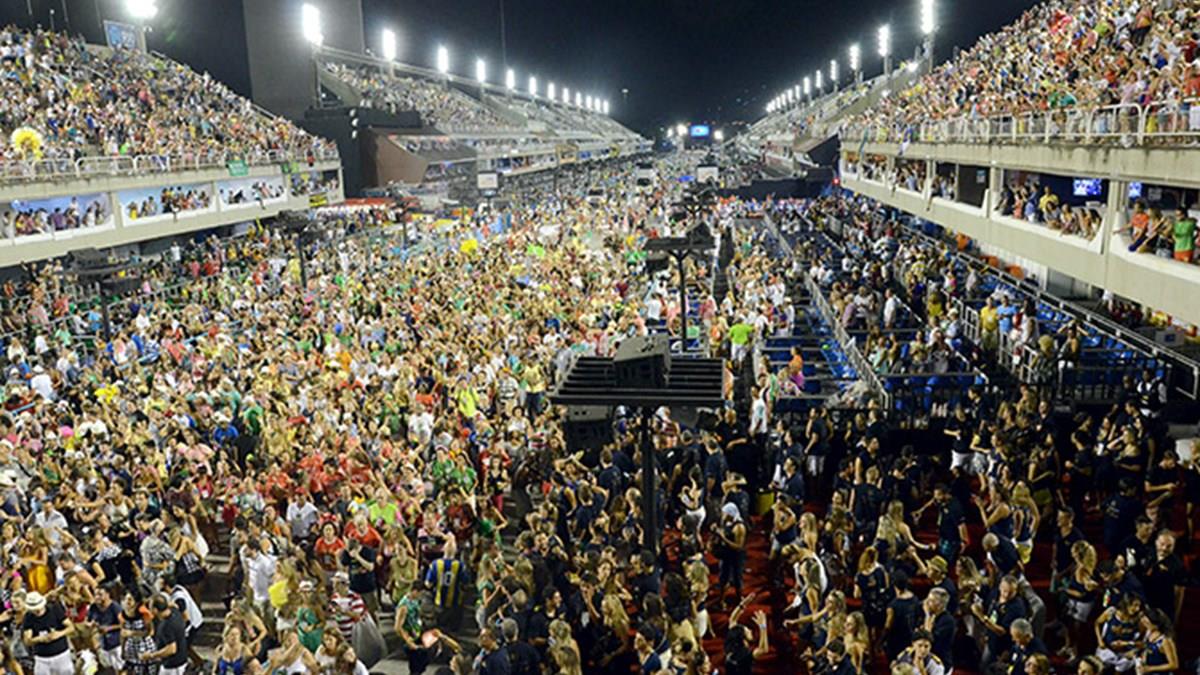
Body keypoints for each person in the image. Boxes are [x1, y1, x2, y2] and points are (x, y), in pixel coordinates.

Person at [21, 592, 73, 675]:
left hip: (61, 653)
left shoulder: (54, 609)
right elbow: (27, 641)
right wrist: (39, 639)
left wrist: (58, 634)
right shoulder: (28, 617)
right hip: (42, 657)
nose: (38, 611)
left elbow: (70, 627)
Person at [141, 594, 188, 675]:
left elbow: (171, 649)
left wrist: (151, 655)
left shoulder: (166, 626)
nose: (149, 610)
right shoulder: (175, 611)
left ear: (155, 610)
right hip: (181, 660)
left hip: (172, 667)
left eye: (150, 607)